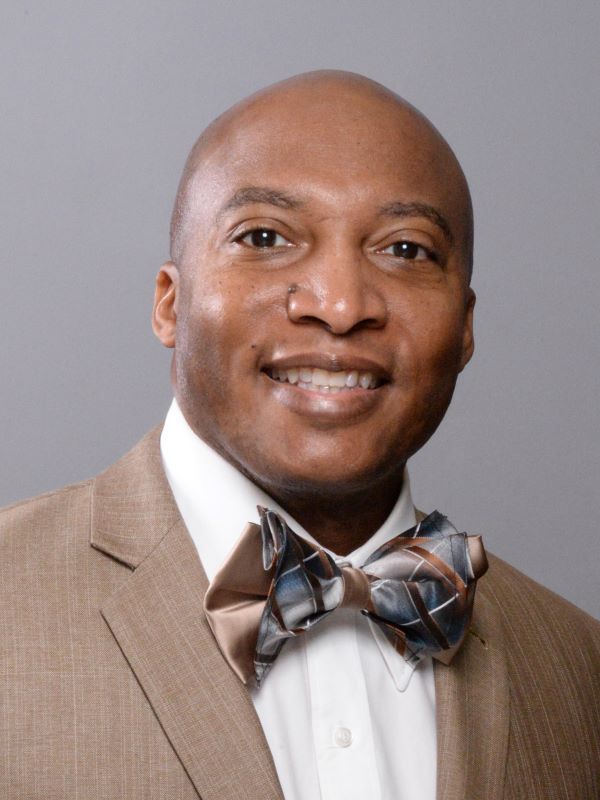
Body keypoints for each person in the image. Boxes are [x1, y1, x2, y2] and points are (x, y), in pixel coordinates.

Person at [0, 70, 598, 799]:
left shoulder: (579, 665)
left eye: (405, 250)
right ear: (170, 302)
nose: (341, 306)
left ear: (465, 327)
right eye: (265, 237)